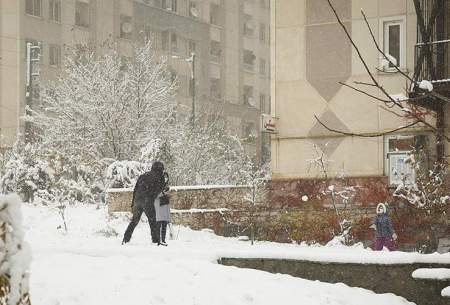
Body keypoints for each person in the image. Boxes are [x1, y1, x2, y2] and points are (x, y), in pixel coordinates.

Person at [122, 161, 167, 244]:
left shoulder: (143, 176)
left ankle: (126, 239)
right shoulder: (160, 177)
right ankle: (155, 240)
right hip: (147, 201)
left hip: (137, 201)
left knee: (134, 221)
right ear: (161, 169)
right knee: (153, 220)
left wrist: (133, 203)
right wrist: (164, 188)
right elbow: (159, 190)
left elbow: (135, 190)